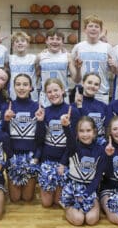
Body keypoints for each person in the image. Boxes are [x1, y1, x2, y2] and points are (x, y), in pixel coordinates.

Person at [37, 78, 80, 208]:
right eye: (49, 92)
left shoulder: (72, 111)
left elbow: (73, 142)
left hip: (64, 161)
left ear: (62, 90)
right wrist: (39, 121)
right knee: (46, 203)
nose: (53, 94)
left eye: (56, 90)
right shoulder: (46, 111)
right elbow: (39, 140)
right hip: (47, 160)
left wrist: (63, 162)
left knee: (58, 202)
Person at [3, 74, 44, 202]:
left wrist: (36, 157)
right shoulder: (8, 106)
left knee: (27, 198)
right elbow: (3, 136)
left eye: (25, 84)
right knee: (14, 198)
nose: (21, 88)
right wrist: (6, 121)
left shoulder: (37, 107)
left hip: (30, 158)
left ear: (31, 87)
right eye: (18, 84)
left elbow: (41, 137)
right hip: (13, 157)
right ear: (13, 87)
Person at [60, 116, 108, 226]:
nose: (85, 134)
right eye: (81, 131)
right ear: (77, 133)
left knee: (91, 220)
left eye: (88, 131)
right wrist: (66, 126)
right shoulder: (74, 148)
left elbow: (97, 178)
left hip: (90, 189)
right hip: (73, 190)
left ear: (94, 132)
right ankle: (68, 206)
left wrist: (86, 194)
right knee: (78, 220)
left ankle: (89, 206)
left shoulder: (100, 150)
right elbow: (70, 140)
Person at [71, 14, 118, 104]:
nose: (93, 28)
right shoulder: (78, 47)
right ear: (85, 29)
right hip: (82, 92)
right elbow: (74, 71)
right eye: (90, 26)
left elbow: (114, 71)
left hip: (101, 92)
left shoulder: (107, 47)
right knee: (81, 118)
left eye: (96, 26)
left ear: (100, 30)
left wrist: (114, 66)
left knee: (101, 118)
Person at [36, 28, 80, 107]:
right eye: (52, 39)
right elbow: (36, 75)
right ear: (46, 41)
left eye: (58, 39)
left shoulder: (67, 56)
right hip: (45, 95)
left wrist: (78, 68)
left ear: (62, 42)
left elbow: (76, 79)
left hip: (62, 95)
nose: (55, 41)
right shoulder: (40, 56)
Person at [72, 73, 108, 139]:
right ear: (83, 83)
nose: (92, 86)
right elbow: (75, 129)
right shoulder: (73, 106)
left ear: (99, 87)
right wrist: (79, 106)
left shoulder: (104, 106)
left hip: (99, 146)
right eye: (89, 82)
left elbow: (107, 129)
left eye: (96, 84)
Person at [9, 31, 38, 101]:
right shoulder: (9, 58)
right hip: (14, 95)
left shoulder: (34, 58)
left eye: (23, 41)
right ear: (13, 45)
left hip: (31, 96)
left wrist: (62, 49)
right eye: (17, 41)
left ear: (28, 44)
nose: (20, 43)